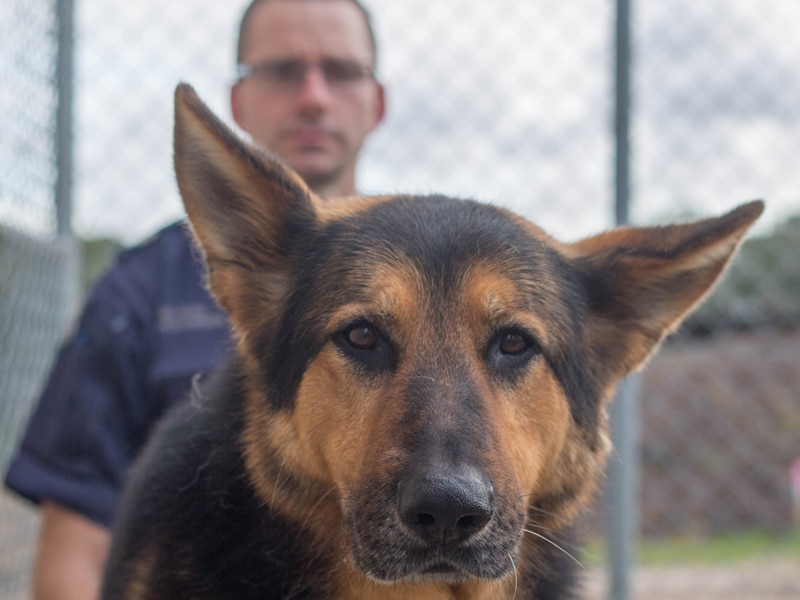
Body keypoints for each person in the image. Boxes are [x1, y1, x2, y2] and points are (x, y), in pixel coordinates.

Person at [3, 1, 386, 599]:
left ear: (376, 102)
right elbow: (73, 558)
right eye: (283, 71)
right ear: (238, 102)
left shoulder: (445, 279)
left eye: (340, 72)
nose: (314, 96)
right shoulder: (136, 293)